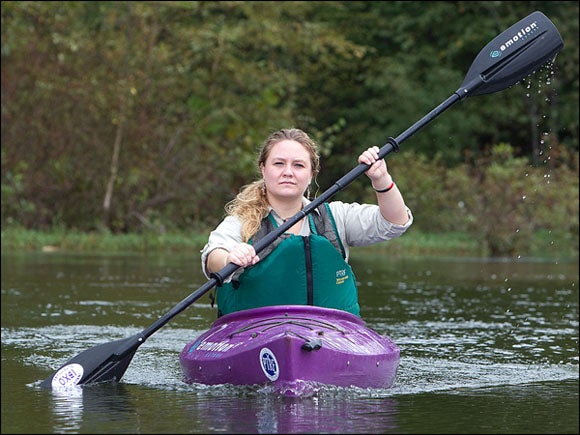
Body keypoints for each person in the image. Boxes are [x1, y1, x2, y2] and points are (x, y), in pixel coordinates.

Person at [201, 128, 413, 317]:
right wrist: (230, 257)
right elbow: (213, 257)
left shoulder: (336, 216)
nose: (288, 172)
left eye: (298, 165)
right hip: (254, 333)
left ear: (311, 174)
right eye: (278, 163)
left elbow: (394, 222)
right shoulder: (241, 221)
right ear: (263, 169)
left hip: (331, 334)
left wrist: (381, 179)